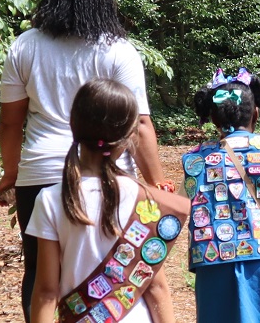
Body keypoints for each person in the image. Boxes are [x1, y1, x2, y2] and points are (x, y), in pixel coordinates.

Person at [0, 0, 170, 322]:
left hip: (40, 173)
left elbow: (11, 123)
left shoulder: (25, 46)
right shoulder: (118, 50)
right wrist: (155, 183)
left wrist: (11, 174)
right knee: (119, 268)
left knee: (40, 276)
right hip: (109, 172)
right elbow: (138, 125)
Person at [25, 79, 190, 323]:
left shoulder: (50, 200)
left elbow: (46, 292)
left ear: (74, 127)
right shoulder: (148, 201)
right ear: (128, 137)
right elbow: (156, 288)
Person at [181, 68, 260, 322]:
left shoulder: (194, 158)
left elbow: (185, 205)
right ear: (254, 113)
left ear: (214, 119)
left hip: (210, 260)